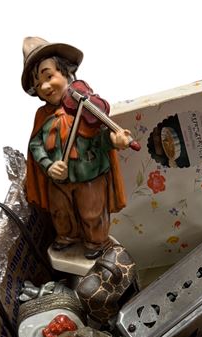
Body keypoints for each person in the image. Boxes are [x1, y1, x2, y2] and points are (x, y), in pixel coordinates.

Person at [21, 37, 132, 260]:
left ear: (66, 72)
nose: (45, 87)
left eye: (49, 76)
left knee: (92, 213)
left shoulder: (85, 106)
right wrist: (48, 165)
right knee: (60, 212)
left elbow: (99, 137)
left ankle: (96, 242)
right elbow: (36, 145)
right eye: (38, 84)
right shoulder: (43, 116)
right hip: (59, 180)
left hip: (90, 174)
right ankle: (67, 237)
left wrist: (115, 140)